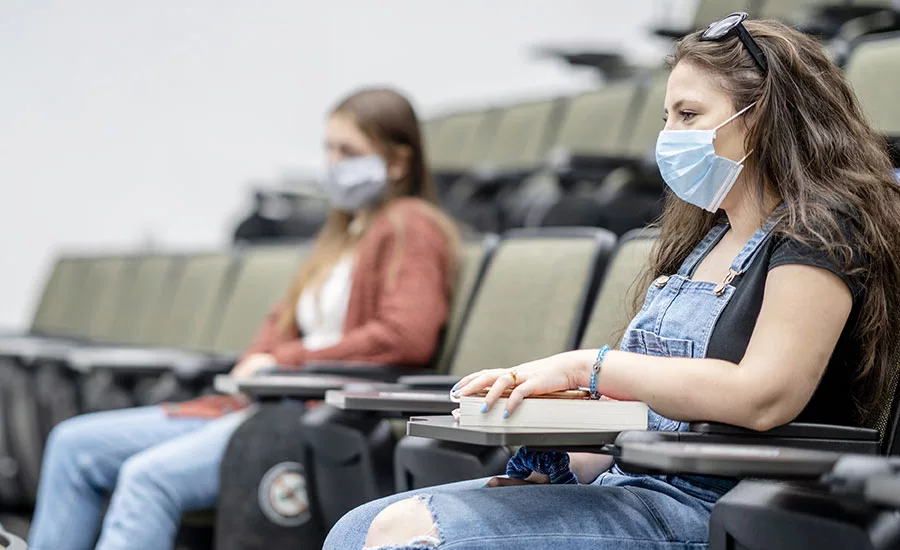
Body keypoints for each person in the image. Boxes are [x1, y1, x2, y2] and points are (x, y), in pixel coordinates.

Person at [325, 15, 900, 550]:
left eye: (689, 115)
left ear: (761, 118)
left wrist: (587, 368)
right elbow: (644, 416)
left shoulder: (822, 231)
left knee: (408, 535)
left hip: (723, 508)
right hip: (629, 484)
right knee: (356, 529)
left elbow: (765, 395)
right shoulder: (703, 240)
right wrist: (558, 460)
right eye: (667, 118)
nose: (670, 135)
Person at [28, 87, 460, 550]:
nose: (334, 163)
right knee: (72, 445)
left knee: (146, 478)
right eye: (329, 149)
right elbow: (278, 324)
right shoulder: (340, 234)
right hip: (262, 402)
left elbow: (405, 336)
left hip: (314, 414)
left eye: (349, 152)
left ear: (398, 162)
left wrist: (283, 363)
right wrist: (260, 363)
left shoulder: (412, 225)